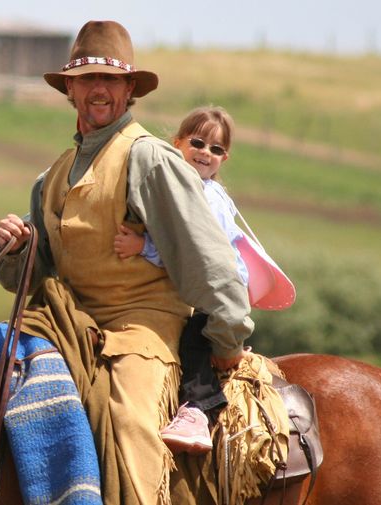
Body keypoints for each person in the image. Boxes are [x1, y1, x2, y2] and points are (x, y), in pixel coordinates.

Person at [0, 20, 254, 504]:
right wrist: (15, 251)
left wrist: (227, 336)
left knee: (131, 429)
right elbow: (34, 277)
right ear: (69, 88)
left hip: (143, 331)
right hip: (66, 325)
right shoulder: (49, 178)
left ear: (129, 88)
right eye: (87, 78)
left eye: (109, 79)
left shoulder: (150, 159)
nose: (98, 89)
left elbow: (209, 260)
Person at [113, 106, 248, 455]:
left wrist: (143, 246)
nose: (206, 153)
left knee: (194, 342)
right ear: (178, 143)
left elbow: (191, 251)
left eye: (216, 149)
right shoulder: (185, 188)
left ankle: (197, 412)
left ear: (224, 158)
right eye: (199, 143)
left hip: (214, 292)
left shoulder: (206, 196)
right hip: (203, 285)